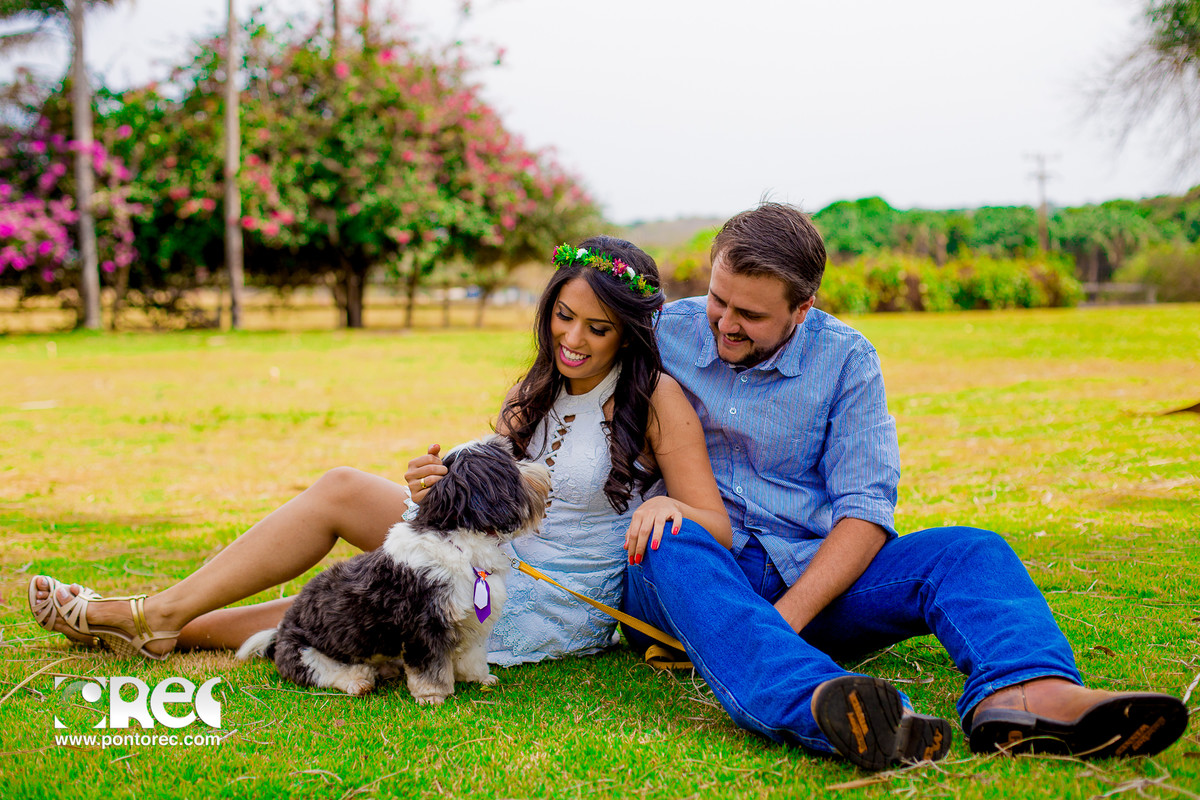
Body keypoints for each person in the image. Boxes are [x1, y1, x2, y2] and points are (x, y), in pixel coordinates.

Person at [621, 202, 1188, 771]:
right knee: (665, 538)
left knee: (970, 551)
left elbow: (865, 511)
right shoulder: (662, 332)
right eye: (719, 299)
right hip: (696, 571)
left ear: (802, 308)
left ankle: (1025, 692)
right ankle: (822, 705)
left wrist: (786, 619)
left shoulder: (846, 360)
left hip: (812, 579)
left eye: (750, 314)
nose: (724, 322)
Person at [28, 236, 731, 668]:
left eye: (597, 329)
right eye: (563, 315)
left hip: (541, 601)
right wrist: (437, 482)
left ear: (628, 334)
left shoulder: (656, 399)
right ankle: (156, 619)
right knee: (340, 502)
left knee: (328, 609)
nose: (573, 338)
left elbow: (716, 526)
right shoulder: (540, 386)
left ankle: (153, 621)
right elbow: (490, 483)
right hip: (480, 552)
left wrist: (667, 501)